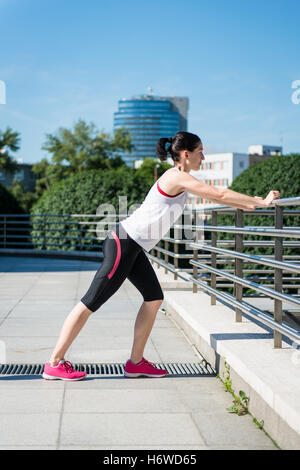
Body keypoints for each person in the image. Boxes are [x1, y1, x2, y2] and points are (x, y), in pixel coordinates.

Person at [42, 132, 280, 381]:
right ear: (186, 155)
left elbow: (216, 195)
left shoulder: (180, 177)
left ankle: (136, 363)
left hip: (133, 245)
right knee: (91, 301)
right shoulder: (176, 176)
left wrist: (252, 203)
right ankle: (54, 363)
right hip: (124, 243)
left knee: (154, 298)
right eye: (201, 152)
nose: (204, 157)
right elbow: (218, 194)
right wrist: (260, 202)